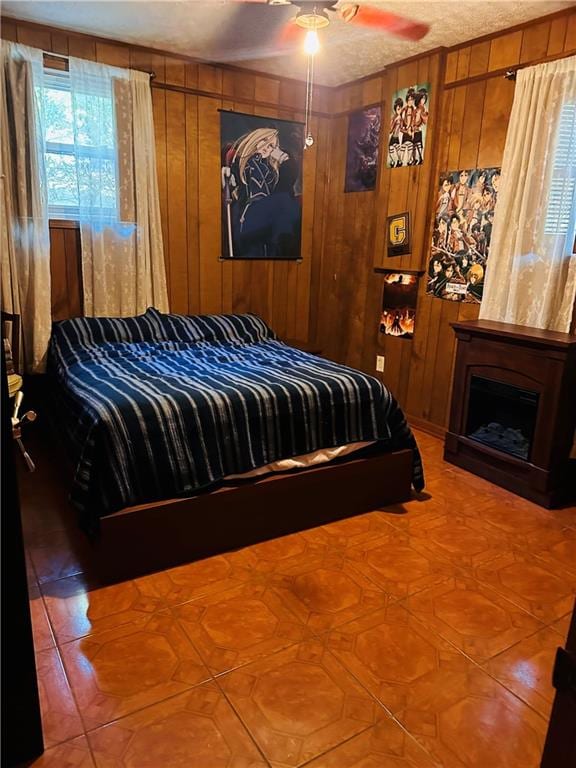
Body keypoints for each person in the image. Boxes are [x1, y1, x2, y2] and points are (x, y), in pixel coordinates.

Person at [223, 127, 301, 259]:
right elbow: (232, 175)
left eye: (271, 146)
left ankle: (282, 243)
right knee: (283, 201)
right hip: (247, 217)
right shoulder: (243, 161)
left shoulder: (273, 171)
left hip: (266, 222)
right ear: (256, 139)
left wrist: (282, 157)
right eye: (264, 140)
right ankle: (284, 239)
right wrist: (227, 174)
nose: (267, 147)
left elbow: (288, 181)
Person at [412, 88, 428, 165]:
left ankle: (420, 158)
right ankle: (416, 159)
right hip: (414, 130)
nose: (423, 100)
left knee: (418, 144)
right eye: (422, 98)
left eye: (424, 98)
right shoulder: (415, 110)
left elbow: (425, 121)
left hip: (419, 129)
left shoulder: (423, 109)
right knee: (414, 146)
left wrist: (422, 114)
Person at [389, 97, 404, 167]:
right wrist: (395, 121)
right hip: (393, 137)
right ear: (395, 109)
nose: (399, 110)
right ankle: (393, 161)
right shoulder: (393, 118)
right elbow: (390, 130)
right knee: (391, 149)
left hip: (397, 137)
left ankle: (399, 161)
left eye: (400, 109)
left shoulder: (400, 118)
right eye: (398, 109)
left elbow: (401, 128)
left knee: (398, 150)